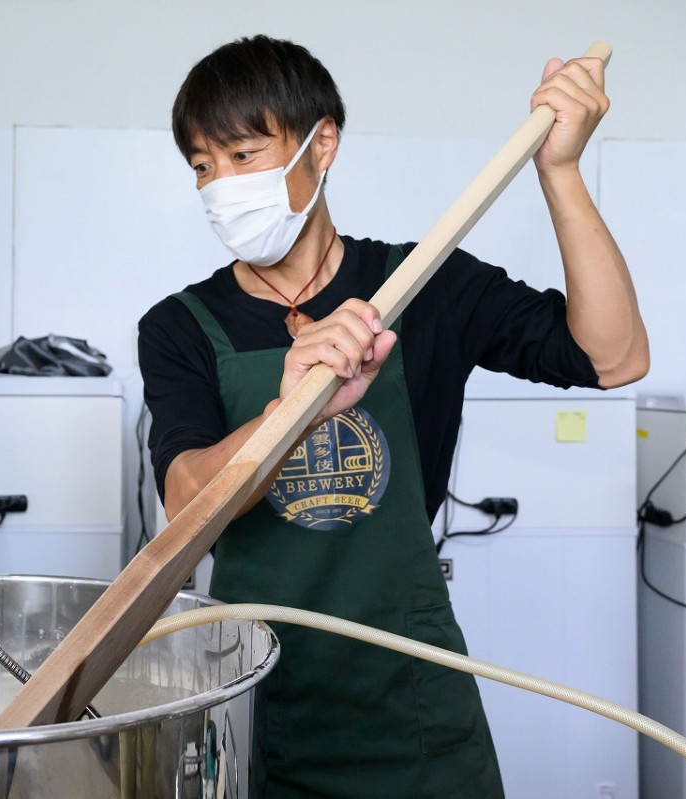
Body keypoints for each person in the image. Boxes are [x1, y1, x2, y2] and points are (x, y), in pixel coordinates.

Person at [137, 36, 648, 798]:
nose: (220, 186)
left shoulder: (420, 284)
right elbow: (186, 504)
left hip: (412, 700)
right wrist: (290, 410)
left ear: (323, 143)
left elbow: (614, 356)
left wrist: (561, 172)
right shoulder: (180, 325)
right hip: (259, 696)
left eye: (243, 155)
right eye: (204, 167)